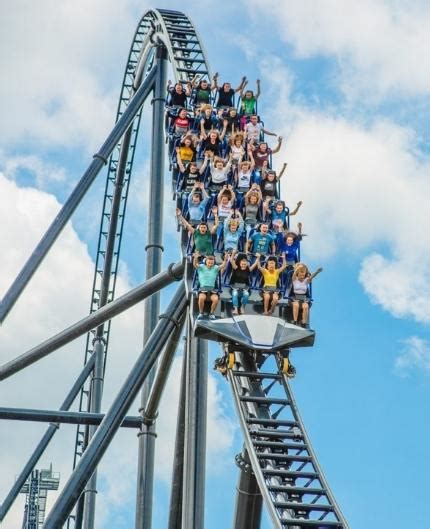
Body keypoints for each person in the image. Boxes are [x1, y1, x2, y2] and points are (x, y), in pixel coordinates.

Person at [193, 251, 228, 319]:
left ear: (213, 263)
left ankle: (211, 313)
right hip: (203, 289)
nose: (210, 264)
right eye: (209, 263)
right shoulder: (201, 267)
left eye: (211, 263)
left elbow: (223, 266)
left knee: (216, 299)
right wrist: (195, 258)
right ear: (206, 262)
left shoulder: (215, 268)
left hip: (212, 290)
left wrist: (225, 259)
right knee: (201, 298)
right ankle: (201, 313)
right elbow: (195, 265)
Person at [229, 250, 258, 315]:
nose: (243, 266)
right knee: (235, 294)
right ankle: (236, 309)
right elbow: (231, 261)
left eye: (245, 264)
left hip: (244, 287)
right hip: (235, 286)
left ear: (247, 264)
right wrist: (233, 253)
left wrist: (258, 258)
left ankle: (242, 307)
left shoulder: (248, 270)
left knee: (246, 294)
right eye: (242, 264)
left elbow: (255, 264)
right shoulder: (236, 268)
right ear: (239, 263)